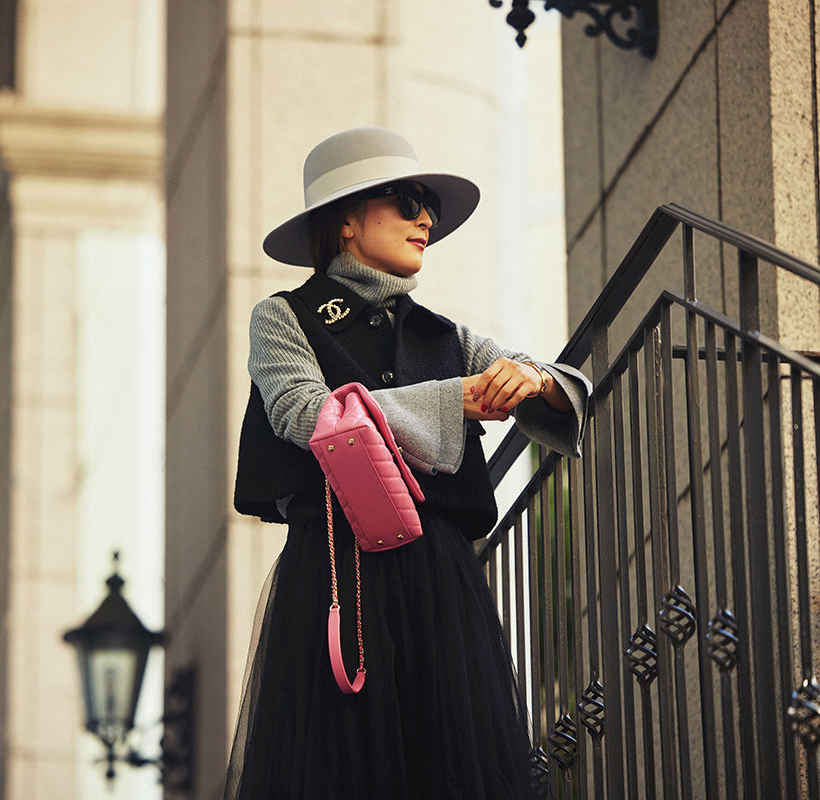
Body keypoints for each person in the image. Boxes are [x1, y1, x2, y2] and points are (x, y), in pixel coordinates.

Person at [226, 126, 591, 799]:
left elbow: (562, 388)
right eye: (406, 200)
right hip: (336, 573)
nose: (425, 218)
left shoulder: (443, 334)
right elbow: (304, 415)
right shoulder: (285, 317)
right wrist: (455, 399)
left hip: (440, 581)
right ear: (344, 219)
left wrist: (533, 383)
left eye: (430, 205)